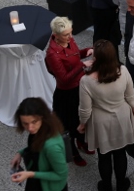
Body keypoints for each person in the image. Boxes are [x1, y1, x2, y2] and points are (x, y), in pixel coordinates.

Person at [78, 40, 134, 191]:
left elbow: (85, 109)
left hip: (100, 121)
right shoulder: (123, 71)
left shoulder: (86, 81)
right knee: (120, 153)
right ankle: (121, 184)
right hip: (122, 116)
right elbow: (130, 95)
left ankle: (106, 185)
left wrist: (83, 124)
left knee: (103, 155)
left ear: (96, 59)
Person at [44, 16, 93, 167]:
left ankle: (81, 141)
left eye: (71, 33)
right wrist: (82, 65)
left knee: (81, 118)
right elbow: (64, 78)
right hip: (66, 94)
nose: (70, 37)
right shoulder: (52, 54)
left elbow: (76, 55)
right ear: (56, 35)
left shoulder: (68, 40)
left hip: (79, 86)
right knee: (69, 124)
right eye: (66, 34)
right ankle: (72, 150)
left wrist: (87, 51)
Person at [11, 98, 68, 191]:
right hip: (38, 179)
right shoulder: (41, 130)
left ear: (42, 117)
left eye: (34, 122)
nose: (30, 128)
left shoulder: (52, 147)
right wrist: (20, 153)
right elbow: (36, 148)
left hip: (48, 186)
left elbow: (61, 174)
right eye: (25, 123)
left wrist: (30, 174)